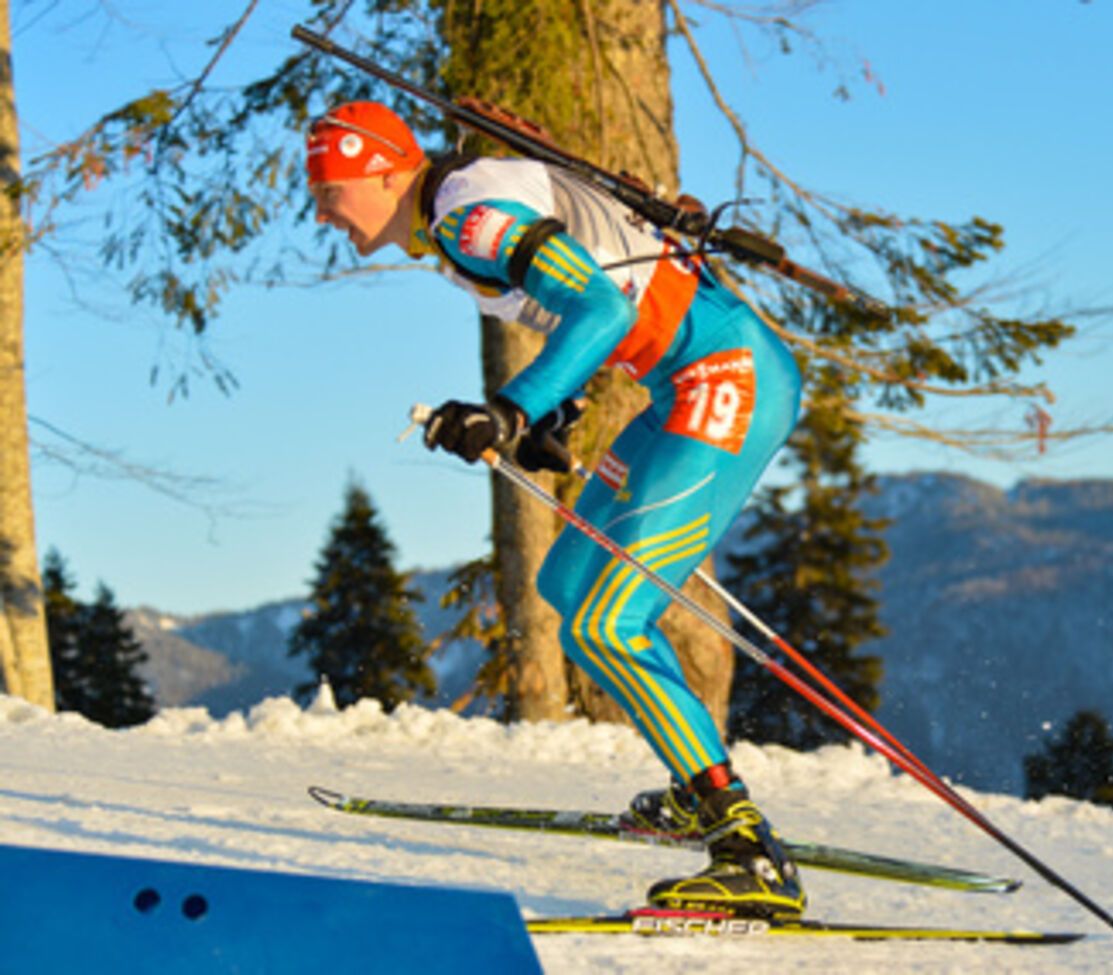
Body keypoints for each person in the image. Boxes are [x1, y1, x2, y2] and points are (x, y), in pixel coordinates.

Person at [306, 101, 805, 918]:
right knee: (570, 582)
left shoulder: (467, 217)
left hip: (727, 379)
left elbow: (604, 310)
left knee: (608, 623)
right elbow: (612, 286)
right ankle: (697, 789)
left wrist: (511, 410)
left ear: (388, 174)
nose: (324, 213)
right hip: (680, 386)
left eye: (331, 191)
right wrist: (555, 410)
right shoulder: (458, 218)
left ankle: (747, 848)